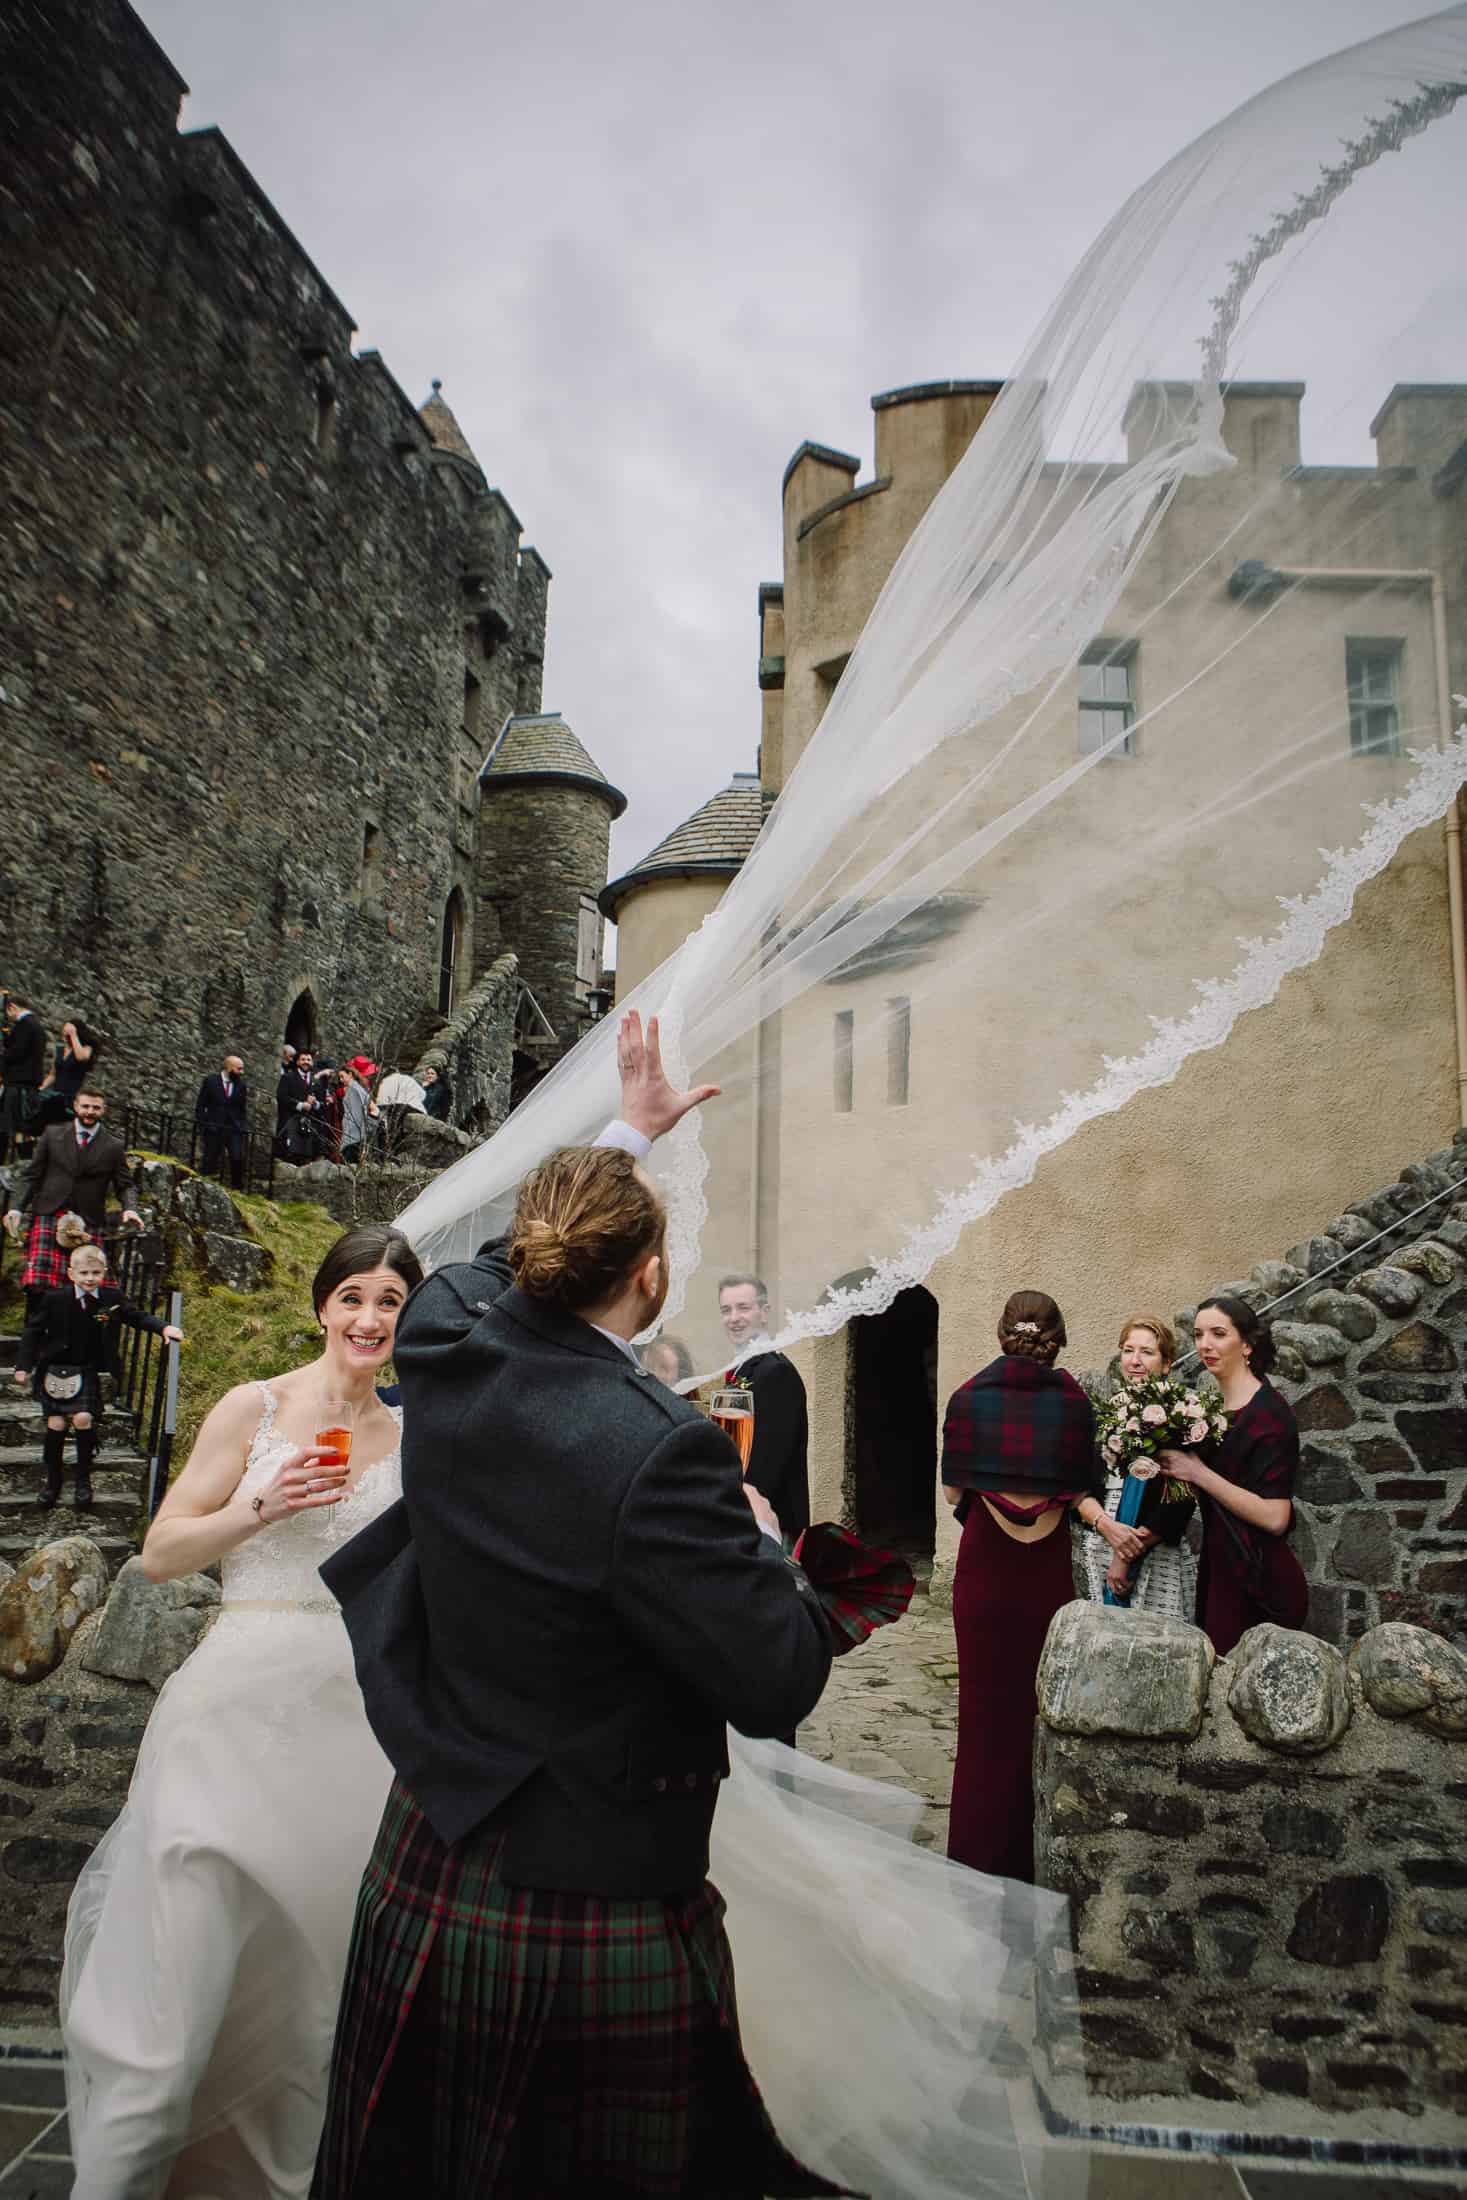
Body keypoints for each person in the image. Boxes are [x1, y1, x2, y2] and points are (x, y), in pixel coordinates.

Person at [313, 1015, 838, 2196]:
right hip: (588, 1884)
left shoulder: (442, 1330)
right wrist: (768, 1552)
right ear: (650, 1275)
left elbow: (497, 1266)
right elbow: (777, 1681)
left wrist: (624, 1136)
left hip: (432, 1844)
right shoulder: (663, 1450)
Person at [60, 1222, 422, 2198]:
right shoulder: (250, 1406)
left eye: (390, 1300)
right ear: (321, 1304)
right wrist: (256, 1511)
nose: (369, 1316)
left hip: (353, 1735)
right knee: (170, 2011)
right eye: (354, 1295)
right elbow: (162, 1550)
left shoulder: (413, 1437)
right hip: (228, 1719)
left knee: (309, 2009)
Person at [940, 1288, 1095, 1882]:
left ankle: (975, 1862)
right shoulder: (1076, 1403)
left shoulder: (968, 1397)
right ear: (1057, 1337)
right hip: (1044, 1571)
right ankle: (1034, 1859)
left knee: (981, 1719)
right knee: (1039, 1713)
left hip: (987, 1567)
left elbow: (955, 1492)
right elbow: (1084, 1486)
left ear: (1002, 1330)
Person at [1158, 1294, 1309, 1654]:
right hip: (1220, 1570)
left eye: (1218, 1333)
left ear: (1246, 1344)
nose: (1205, 1345)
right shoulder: (1210, 1411)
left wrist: (1197, 1472)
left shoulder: (1269, 1416)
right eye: (1198, 1335)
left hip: (1258, 1579)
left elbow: (1276, 1517)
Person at [15, 1239, 183, 1509]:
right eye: (83, 1273)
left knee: (82, 1418)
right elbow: (32, 1332)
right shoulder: (54, 1298)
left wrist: (164, 1328)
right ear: (71, 1273)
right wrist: (23, 1365)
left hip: (87, 1370)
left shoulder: (110, 1300)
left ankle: (83, 1480)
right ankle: (53, 1482)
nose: (90, 1278)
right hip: (55, 1369)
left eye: (95, 1273)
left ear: (104, 1273)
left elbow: (136, 1317)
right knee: (56, 1424)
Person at [1076, 1314, 1198, 1619]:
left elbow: (1179, 1499)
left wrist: (1126, 1554)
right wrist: (1107, 1527)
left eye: (1147, 1352)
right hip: (1105, 1541)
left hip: (1152, 1550)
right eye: (1129, 1350)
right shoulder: (1107, 1415)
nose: (1135, 1360)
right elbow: (1082, 1488)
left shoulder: (1182, 1416)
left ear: (1167, 1363)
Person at [4, 1086, 143, 1318]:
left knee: (86, 1287)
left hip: (88, 1221)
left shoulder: (113, 1145)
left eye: (96, 1108)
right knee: (39, 1286)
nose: (90, 1111)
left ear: (103, 1110)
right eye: (85, 1106)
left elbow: (125, 1184)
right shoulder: (53, 1134)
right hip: (49, 1214)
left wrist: (130, 1209)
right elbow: (32, 1175)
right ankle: (34, 1340)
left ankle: (71, 1344)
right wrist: (16, 1208)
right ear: (76, 1106)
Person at [718, 1271, 811, 1538]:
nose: (733, 1318)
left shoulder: (774, 1372)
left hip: (769, 1522)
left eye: (743, 1308)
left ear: (765, 1312)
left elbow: (766, 1465)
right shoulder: (743, 1369)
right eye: (726, 1310)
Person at [1, 993, 49, 1161]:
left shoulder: (25, 1025)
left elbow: (16, 1053)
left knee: (16, 1127)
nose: (8, 1017)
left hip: (19, 1084)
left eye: (7, 1012)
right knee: (20, 1127)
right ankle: (25, 1164)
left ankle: (25, 1165)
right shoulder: (35, 1025)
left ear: (12, 1007)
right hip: (25, 1084)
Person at [34, 1016, 100, 1131]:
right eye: (64, 1033)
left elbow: (81, 1057)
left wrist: (73, 1035)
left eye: (67, 1033)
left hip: (72, 1093)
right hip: (56, 1093)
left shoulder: (86, 1048)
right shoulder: (60, 1049)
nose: (64, 1036)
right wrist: (41, 1087)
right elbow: (53, 1074)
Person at [194, 1052, 249, 1189]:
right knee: (210, 1158)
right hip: (214, 1127)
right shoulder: (211, 1081)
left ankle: (237, 1189)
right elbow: (201, 1105)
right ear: (230, 1068)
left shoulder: (241, 1086)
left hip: (233, 1129)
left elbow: (242, 1108)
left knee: (237, 1158)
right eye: (239, 1069)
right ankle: (206, 1187)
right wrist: (203, 1125)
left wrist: (241, 1125)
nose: (242, 1072)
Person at [339, 1058, 380, 1165]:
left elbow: (374, 1109)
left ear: (350, 1075)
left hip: (355, 1138)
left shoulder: (355, 1088)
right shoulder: (354, 1088)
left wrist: (368, 1127)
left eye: (342, 1076)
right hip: (352, 1136)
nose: (340, 1080)